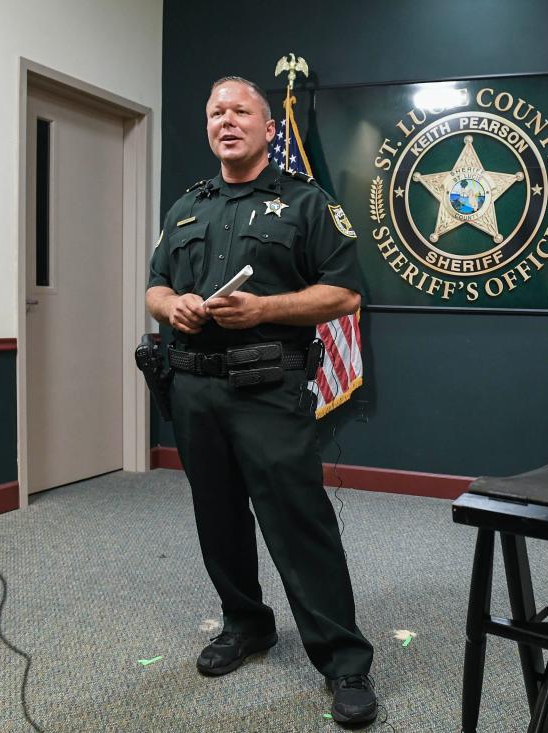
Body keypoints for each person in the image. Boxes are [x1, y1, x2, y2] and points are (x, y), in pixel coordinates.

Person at [145, 76, 376, 726]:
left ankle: (345, 662)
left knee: (299, 523)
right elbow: (155, 287)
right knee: (217, 516)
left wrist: (266, 309)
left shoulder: (305, 203)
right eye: (216, 110)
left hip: (268, 387)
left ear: (267, 128)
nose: (227, 119)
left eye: (241, 110)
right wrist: (175, 305)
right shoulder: (186, 207)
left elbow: (344, 294)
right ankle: (245, 622)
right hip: (192, 386)